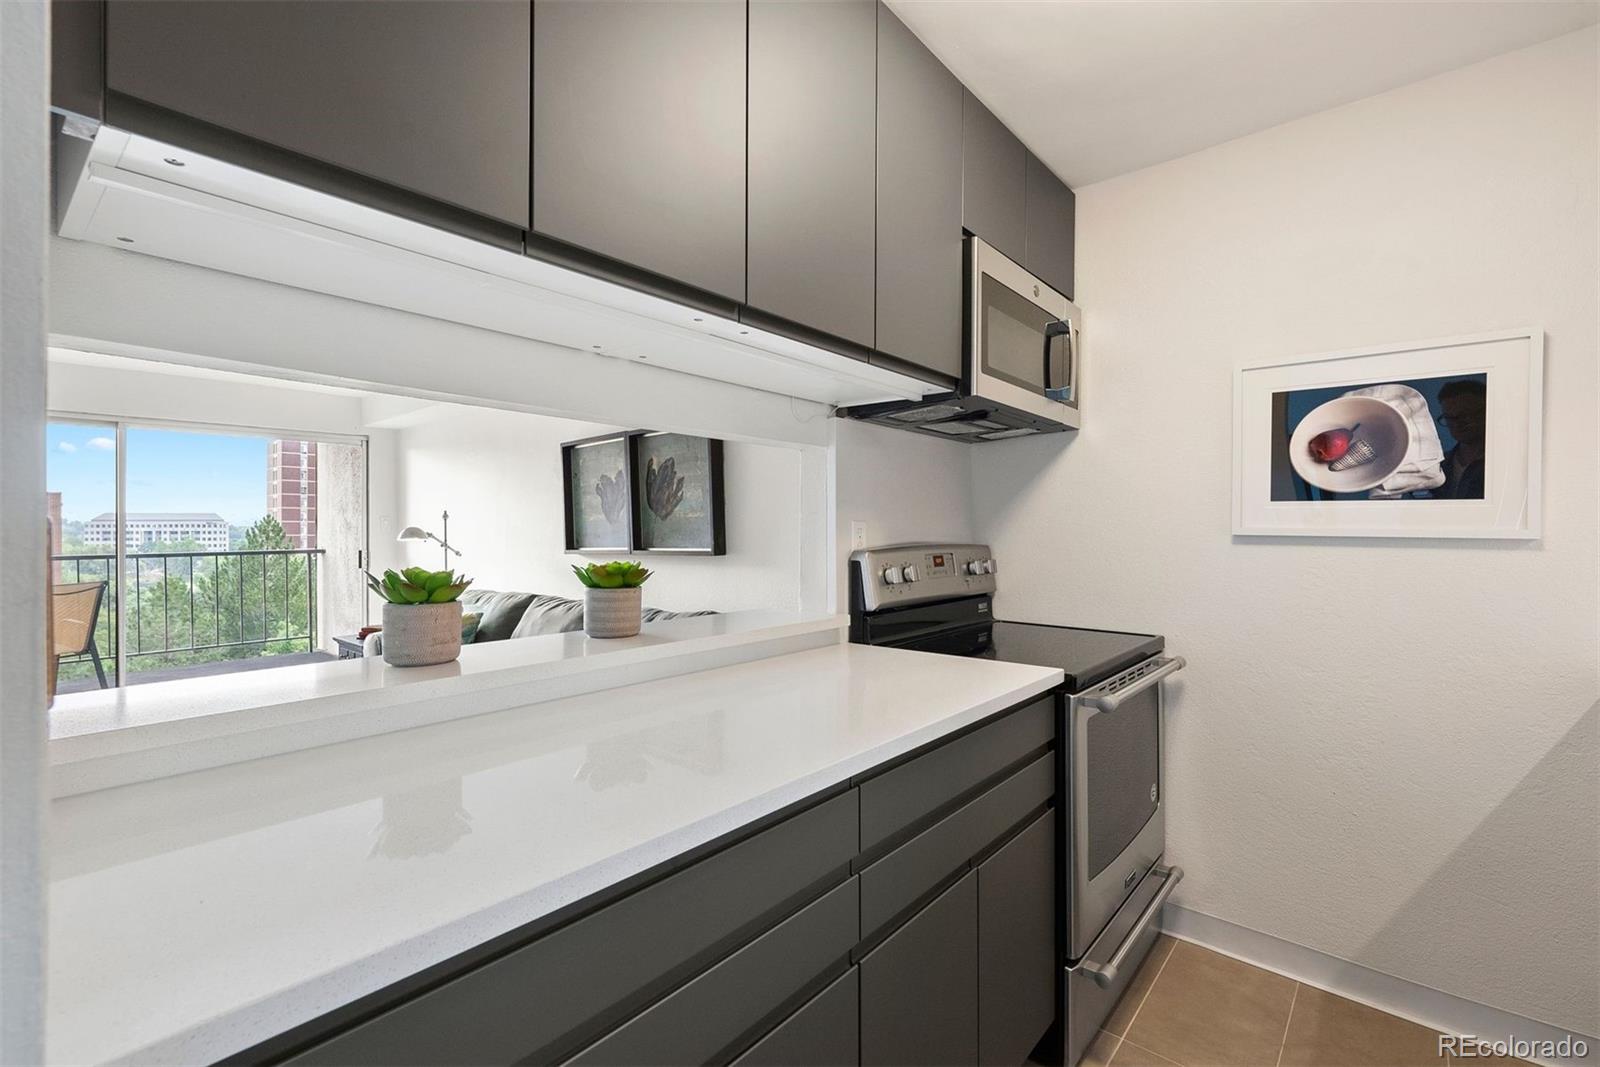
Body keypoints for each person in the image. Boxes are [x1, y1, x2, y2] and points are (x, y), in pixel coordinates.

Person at [1434, 379, 1486, 499]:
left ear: (1484, 412)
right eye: (1449, 417)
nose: (1457, 424)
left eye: (1465, 415)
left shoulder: (1500, 461)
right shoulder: (1439, 464)